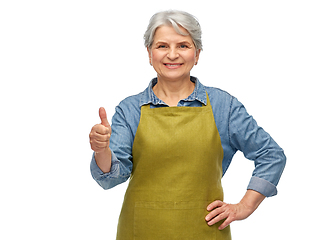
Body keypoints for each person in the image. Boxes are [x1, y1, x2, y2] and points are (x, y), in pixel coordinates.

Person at [89, 10, 286, 240]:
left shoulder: (224, 106)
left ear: (197, 54)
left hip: (205, 232)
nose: (172, 55)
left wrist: (244, 207)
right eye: (162, 46)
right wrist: (102, 150)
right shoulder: (130, 109)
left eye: (183, 45)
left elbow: (271, 155)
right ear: (149, 53)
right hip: (141, 231)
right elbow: (111, 177)